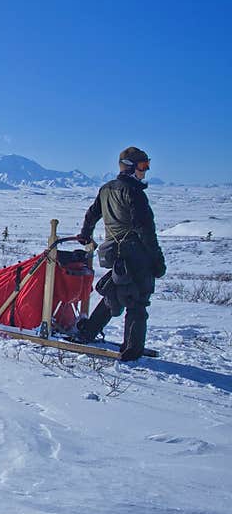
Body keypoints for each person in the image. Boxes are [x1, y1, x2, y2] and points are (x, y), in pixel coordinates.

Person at [73, 146, 166, 361]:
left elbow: (91, 214)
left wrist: (85, 234)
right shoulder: (135, 193)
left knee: (114, 292)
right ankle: (132, 351)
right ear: (131, 168)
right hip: (136, 254)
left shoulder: (106, 189)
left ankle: (88, 331)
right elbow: (146, 231)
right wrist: (157, 260)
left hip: (114, 253)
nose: (146, 171)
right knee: (138, 301)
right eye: (143, 166)